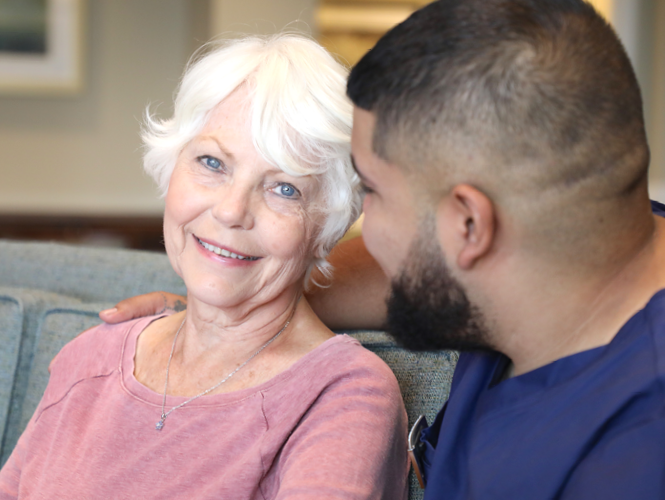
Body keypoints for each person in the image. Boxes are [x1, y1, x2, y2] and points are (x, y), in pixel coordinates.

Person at [105, 0, 665, 498]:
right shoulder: (590, 245)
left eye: (372, 191)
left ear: (469, 225)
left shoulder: (632, 454)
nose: (364, 229)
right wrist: (228, 306)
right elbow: (390, 275)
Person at [0, 34, 409, 499]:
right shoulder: (89, 356)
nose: (232, 210)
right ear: (172, 166)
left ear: (327, 224)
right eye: (212, 162)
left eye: (284, 189)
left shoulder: (344, 394)